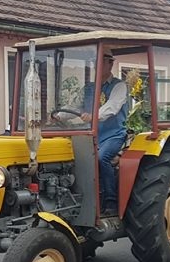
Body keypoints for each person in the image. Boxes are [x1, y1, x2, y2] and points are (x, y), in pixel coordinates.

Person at [53, 49, 127, 216]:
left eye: (102, 61)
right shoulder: (89, 88)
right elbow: (75, 106)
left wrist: (94, 116)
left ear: (110, 63)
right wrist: (58, 116)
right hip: (90, 135)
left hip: (113, 135)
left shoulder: (118, 86)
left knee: (102, 158)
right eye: (96, 61)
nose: (97, 65)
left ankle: (111, 201)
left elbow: (112, 107)